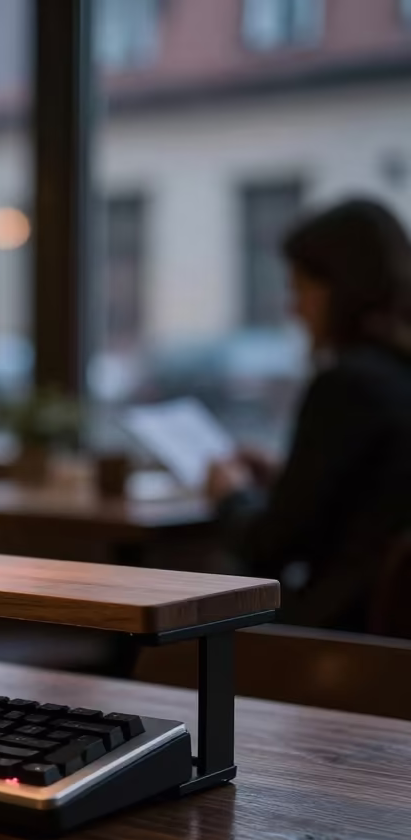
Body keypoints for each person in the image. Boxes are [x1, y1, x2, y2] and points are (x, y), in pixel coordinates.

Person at [207, 198, 411, 631]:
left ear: (337, 290)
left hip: (338, 641)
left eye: (299, 289)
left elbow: (267, 547)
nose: (294, 309)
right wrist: (286, 479)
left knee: (170, 629)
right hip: (389, 637)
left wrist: (230, 494)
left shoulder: (347, 385)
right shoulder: (396, 377)